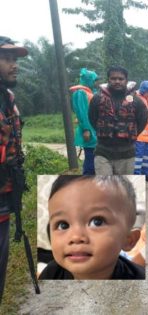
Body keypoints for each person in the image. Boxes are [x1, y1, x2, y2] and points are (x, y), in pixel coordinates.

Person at [39, 175, 145, 280]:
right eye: (63, 225)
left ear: (129, 240)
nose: (75, 237)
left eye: (97, 222)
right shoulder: (51, 272)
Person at [0, 36, 29, 303]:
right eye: (6, 59)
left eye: (15, 60)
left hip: (5, 195)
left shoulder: (8, 98)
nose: (14, 65)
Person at [88, 66, 148, 175]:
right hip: (103, 152)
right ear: (108, 80)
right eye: (113, 78)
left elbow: (142, 120)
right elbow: (92, 119)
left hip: (127, 153)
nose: (117, 81)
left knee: (122, 188)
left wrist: (130, 134)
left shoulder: (136, 101)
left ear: (126, 80)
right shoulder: (97, 99)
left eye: (121, 79)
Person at [70, 68, 99, 175]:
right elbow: (82, 113)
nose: (96, 83)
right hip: (88, 129)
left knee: (94, 158)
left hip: (94, 129)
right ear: (88, 80)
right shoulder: (80, 93)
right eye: (94, 80)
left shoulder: (89, 92)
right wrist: (86, 129)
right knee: (90, 159)